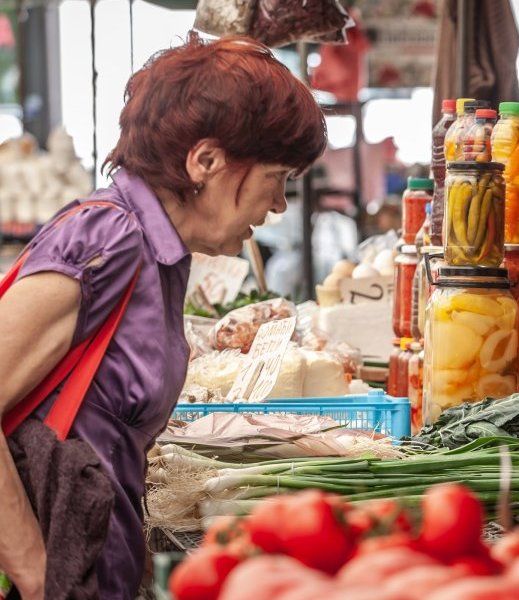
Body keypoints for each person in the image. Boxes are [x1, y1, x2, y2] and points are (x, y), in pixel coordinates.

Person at [0, 34, 326, 599]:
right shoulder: (106, 240)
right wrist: (36, 577)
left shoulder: (160, 249)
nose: (277, 205)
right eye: (277, 179)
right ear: (205, 160)